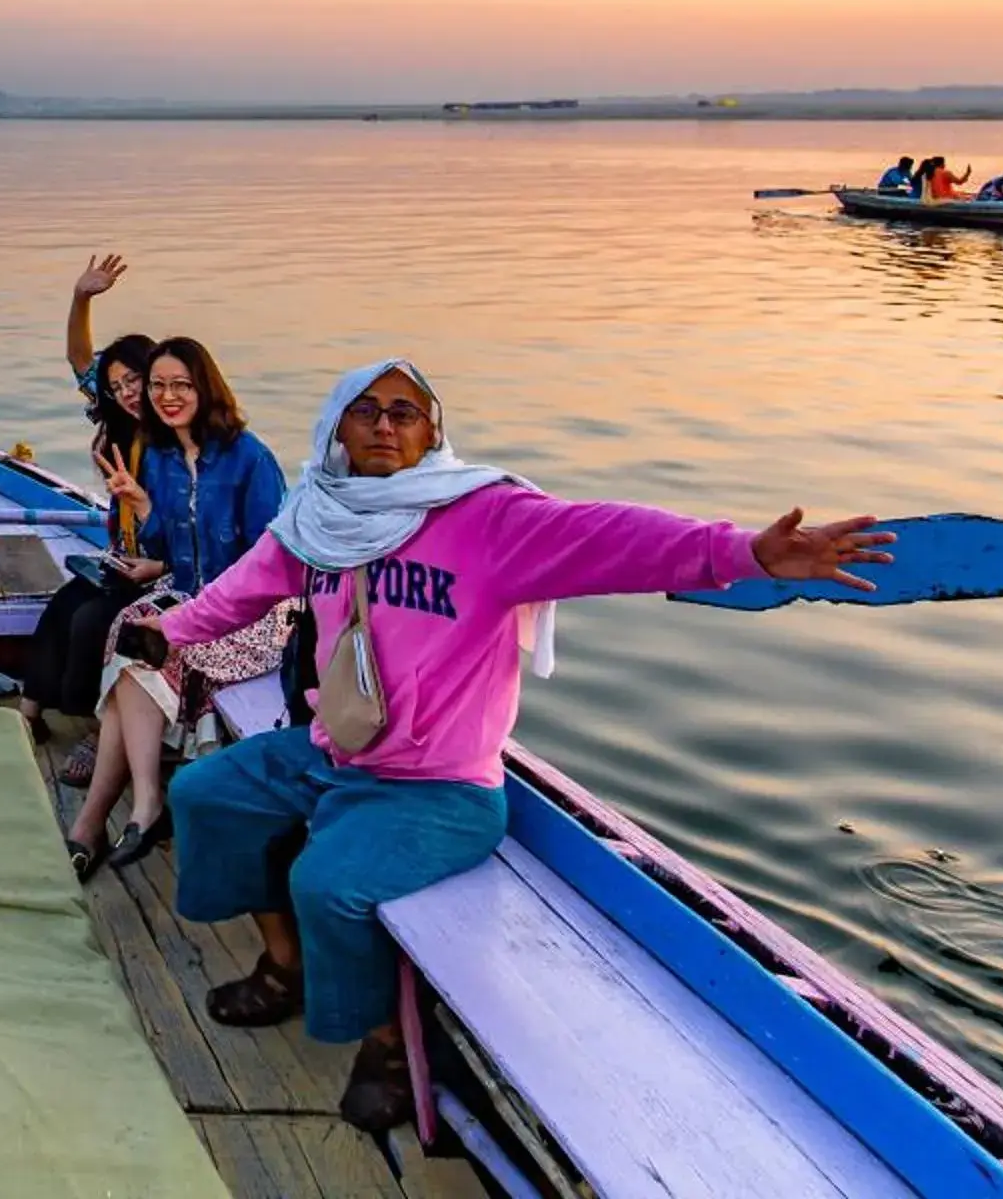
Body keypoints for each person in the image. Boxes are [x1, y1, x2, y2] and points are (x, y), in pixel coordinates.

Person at [158, 360, 888, 1135]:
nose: (384, 424)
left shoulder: (489, 518)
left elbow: (617, 538)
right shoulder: (320, 518)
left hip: (441, 788)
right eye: (365, 409)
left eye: (405, 411)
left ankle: (387, 1047)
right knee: (204, 795)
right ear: (337, 425)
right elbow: (242, 590)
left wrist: (746, 553)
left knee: (327, 884)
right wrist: (164, 634)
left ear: (433, 432)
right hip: (333, 749)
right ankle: (285, 964)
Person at [59, 338, 288, 879]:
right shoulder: (160, 458)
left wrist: (201, 614)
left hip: (254, 614)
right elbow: (166, 550)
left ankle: (111, 816)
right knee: (129, 630)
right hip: (192, 597)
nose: (167, 395)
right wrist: (141, 506)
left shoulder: (249, 458)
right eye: (158, 385)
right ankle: (136, 807)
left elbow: (268, 567)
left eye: (181, 384)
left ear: (205, 386)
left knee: (150, 645)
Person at [0, 257, 158, 745]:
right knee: (63, 604)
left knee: (90, 621)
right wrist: (81, 299)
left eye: (135, 382)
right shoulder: (119, 419)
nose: (126, 393)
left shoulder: (175, 438)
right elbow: (82, 362)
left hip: (162, 569)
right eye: (117, 386)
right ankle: (29, 714)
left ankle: (94, 732)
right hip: (124, 560)